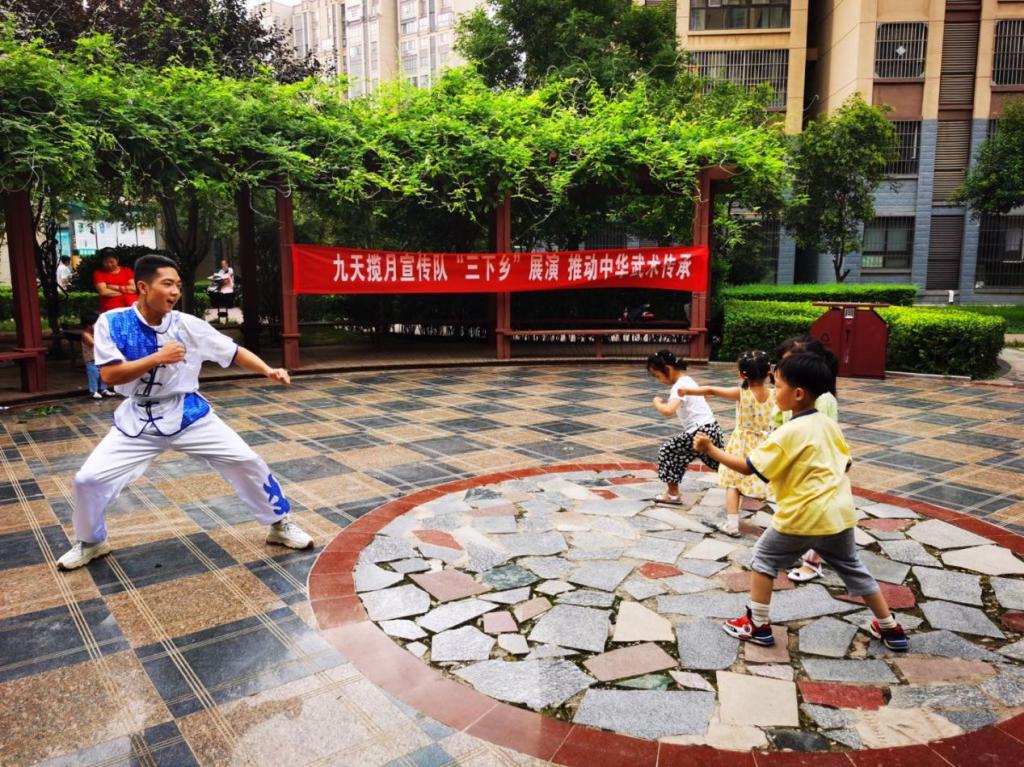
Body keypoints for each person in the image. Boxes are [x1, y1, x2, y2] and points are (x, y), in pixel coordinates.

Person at [57, 254, 312, 570]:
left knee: (246, 460)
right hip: (137, 419)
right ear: (143, 287)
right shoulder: (112, 322)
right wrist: (157, 357)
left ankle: (279, 524)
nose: (175, 291)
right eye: (167, 284)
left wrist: (267, 370)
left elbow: (233, 351)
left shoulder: (187, 324)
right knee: (87, 480)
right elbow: (109, 375)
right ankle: (91, 541)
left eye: (178, 285)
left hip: (189, 413)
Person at [693, 353, 909, 651]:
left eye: (778, 385)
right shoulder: (829, 425)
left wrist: (710, 449)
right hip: (839, 513)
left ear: (797, 394)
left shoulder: (788, 432)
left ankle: (757, 624)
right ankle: (890, 628)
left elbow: (747, 466)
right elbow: (845, 464)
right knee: (853, 567)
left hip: (802, 514)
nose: (774, 391)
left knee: (763, 559)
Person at [675, 350, 775, 537]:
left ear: (741, 374)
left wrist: (688, 391)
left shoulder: (742, 393)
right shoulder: (775, 394)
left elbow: (711, 390)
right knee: (761, 476)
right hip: (764, 442)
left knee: (733, 483)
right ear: (769, 370)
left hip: (741, 443)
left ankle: (732, 524)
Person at [772, 335, 840, 583]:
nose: (784, 370)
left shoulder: (823, 400)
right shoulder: (790, 395)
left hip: (815, 468)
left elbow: (824, 436)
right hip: (795, 465)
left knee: (816, 515)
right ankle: (799, 551)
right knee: (800, 512)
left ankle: (813, 562)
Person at [648, 349, 725, 504]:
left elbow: (668, 410)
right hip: (711, 427)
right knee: (720, 462)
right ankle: (746, 482)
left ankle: (673, 495)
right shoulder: (688, 380)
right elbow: (701, 398)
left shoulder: (679, 387)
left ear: (668, 369)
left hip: (699, 430)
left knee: (668, 451)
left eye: (658, 375)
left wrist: (657, 403)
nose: (659, 380)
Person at [80, 309, 115, 400]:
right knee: (94, 375)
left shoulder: (97, 333)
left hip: (101, 359)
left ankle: (103, 389)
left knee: (103, 374)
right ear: (88, 325)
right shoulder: (86, 334)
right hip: (91, 360)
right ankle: (93, 391)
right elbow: (93, 344)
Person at [209, 259, 235, 324]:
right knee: (212, 291)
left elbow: (227, 278)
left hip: (228, 288)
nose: (223, 265)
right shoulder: (221, 271)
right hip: (222, 287)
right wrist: (214, 279)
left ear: (227, 264)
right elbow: (218, 278)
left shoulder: (230, 270)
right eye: (222, 264)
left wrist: (221, 280)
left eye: (224, 264)